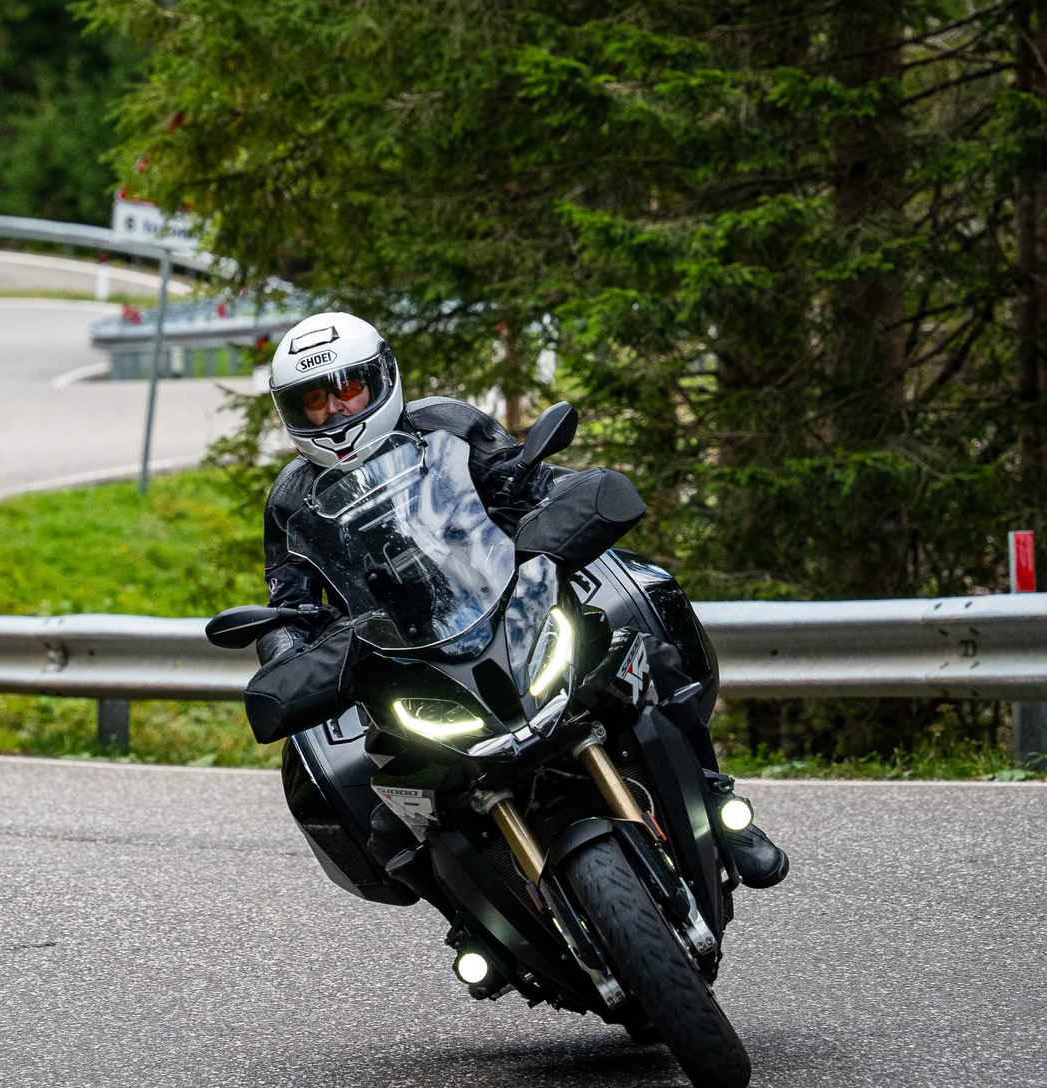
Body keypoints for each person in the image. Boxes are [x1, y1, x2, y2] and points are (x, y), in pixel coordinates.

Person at [256, 310, 789, 888]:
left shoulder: (445, 425)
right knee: (390, 822)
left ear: (381, 377)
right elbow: (289, 601)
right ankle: (469, 917)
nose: (335, 411)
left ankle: (717, 803)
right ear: (293, 412)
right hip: (402, 665)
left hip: (517, 608)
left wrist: (559, 498)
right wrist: (289, 652)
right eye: (314, 400)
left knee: (651, 659)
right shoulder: (291, 500)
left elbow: (529, 478)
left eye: (348, 388)